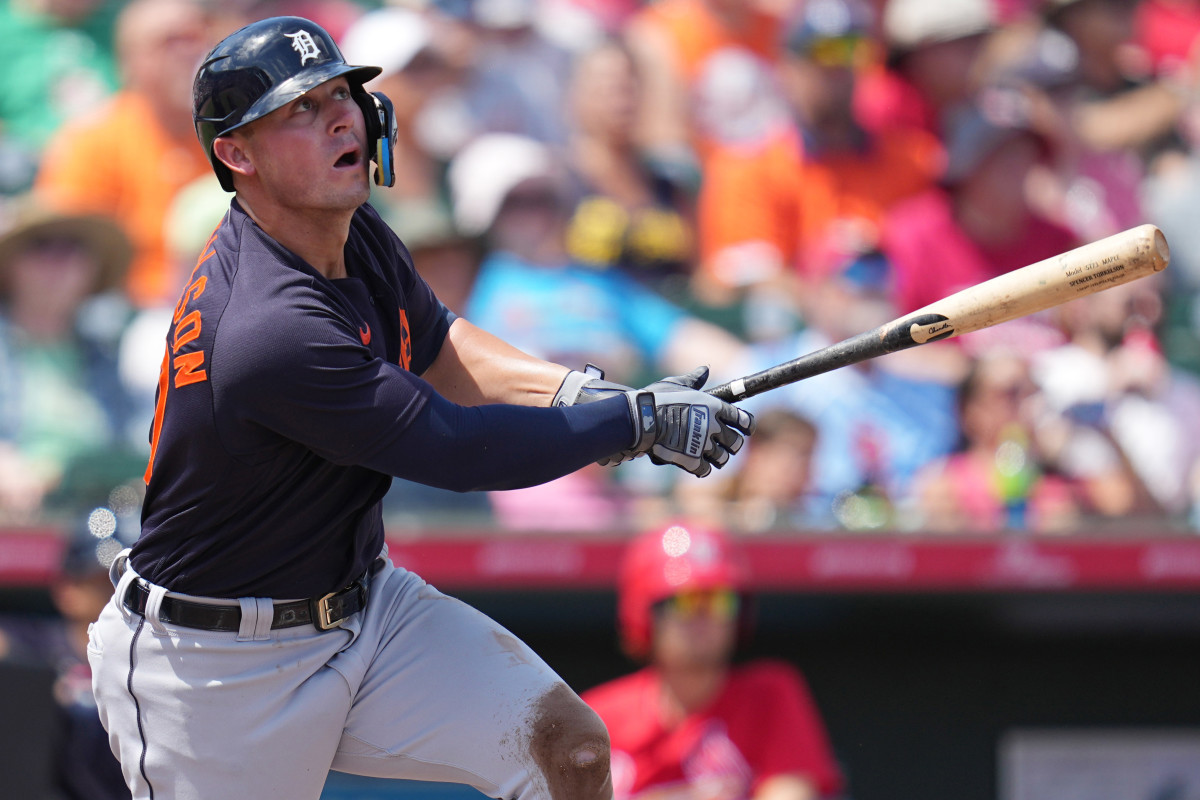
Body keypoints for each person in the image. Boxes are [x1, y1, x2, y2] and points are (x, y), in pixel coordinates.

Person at [85, 16, 755, 800]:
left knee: (568, 750)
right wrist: (630, 423)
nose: (342, 117)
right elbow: (456, 449)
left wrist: (578, 393)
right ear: (236, 155)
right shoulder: (267, 328)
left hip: (365, 609)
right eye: (300, 108)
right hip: (217, 665)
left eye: (340, 94)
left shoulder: (345, 225)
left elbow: (438, 342)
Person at [581, 522, 845, 800]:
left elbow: (792, 793)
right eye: (686, 601)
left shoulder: (770, 695)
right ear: (646, 615)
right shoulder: (598, 717)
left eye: (720, 600)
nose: (705, 618)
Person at [33, 0, 216, 309]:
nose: (189, 52)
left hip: (231, 298)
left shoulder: (235, 131)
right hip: (130, 312)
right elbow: (64, 254)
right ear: (130, 62)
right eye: (170, 42)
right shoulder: (94, 140)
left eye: (197, 37)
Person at [0, 196, 143, 521]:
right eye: (41, 246)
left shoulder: (107, 350)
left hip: (99, 518)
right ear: (9, 266)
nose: (59, 262)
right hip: (17, 522)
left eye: (74, 248)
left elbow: (130, 444)